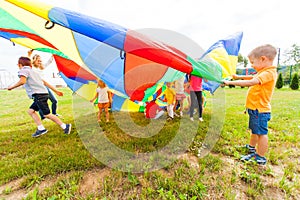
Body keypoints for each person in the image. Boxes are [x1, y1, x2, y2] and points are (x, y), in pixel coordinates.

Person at [223, 44, 278, 165]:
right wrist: (238, 76)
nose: (252, 65)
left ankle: (260, 157)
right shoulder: (263, 71)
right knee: (254, 131)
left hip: (260, 110)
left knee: (261, 134)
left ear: (263, 59)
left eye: (253, 62)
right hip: (254, 109)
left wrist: (229, 83)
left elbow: (252, 81)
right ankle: (252, 148)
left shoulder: (269, 73)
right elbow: (251, 76)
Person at [8, 56, 72, 137]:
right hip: (43, 94)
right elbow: (44, 82)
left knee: (47, 114)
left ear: (20, 65)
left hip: (39, 95)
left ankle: (65, 126)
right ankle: (41, 128)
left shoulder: (23, 70)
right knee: (31, 111)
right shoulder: (34, 71)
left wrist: (11, 87)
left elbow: (22, 81)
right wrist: (56, 91)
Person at [28, 50, 62, 120]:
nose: (40, 62)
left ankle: (54, 113)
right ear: (34, 61)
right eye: (38, 61)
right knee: (42, 104)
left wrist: (53, 53)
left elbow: (49, 61)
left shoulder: (41, 67)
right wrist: (29, 54)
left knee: (54, 100)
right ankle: (43, 117)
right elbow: (27, 63)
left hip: (46, 87)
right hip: (39, 89)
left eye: (40, 61)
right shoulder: (32, 69)